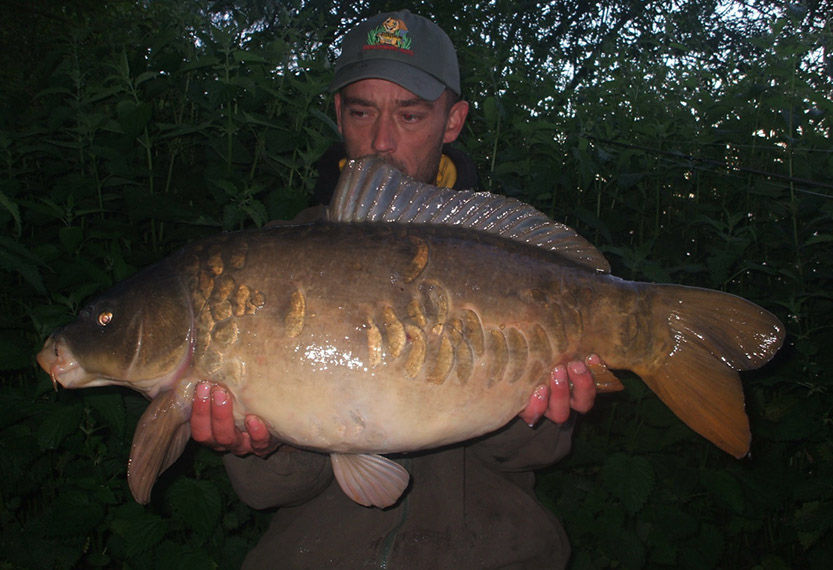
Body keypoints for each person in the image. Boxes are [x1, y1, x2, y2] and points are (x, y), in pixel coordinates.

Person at [191, 10, 606, 568]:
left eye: (410, 115)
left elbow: (532, 457)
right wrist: (262, 446)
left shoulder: (509, 260)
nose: (382, 141)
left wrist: (527, 412)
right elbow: (268, 493)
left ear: (452, 121)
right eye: (362, 112)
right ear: (338, 113)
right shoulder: (261, 268)